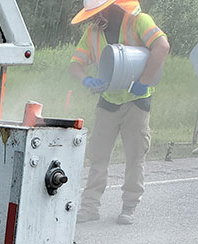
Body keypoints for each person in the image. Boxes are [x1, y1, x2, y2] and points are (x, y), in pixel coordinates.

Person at [68, 0, 169, 225]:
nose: (94, 18)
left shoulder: (139, 21)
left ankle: (129, 207)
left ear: (110, 7)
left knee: (135, 156)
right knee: (97, 156)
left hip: (137, 101)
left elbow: (162, 46)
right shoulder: (93, 33)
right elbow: (75, 64)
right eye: (91, 14)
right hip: (108, 101)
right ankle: (90, 207)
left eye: (97, 12)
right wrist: (86, 79)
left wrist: (144, 81)